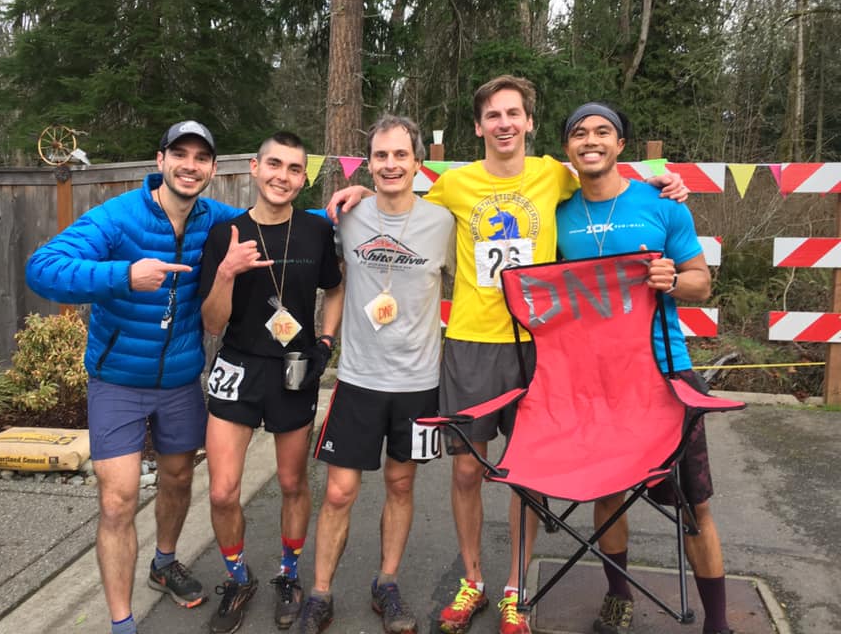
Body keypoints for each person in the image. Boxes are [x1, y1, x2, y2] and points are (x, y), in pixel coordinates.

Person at [327, 76, 689, 634]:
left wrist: (664, 183)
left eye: (513, 113)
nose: (504, 124)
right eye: (493, 115)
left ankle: (517, 590)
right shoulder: (455, 184)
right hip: (472, 342)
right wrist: (355, 193)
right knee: (467, 470)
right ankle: (473, 580)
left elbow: (604, 176)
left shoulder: (553, 175)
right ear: (478, 127)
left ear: (528, 122)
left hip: (539, 345)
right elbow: (399, 204)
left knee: (527, 472)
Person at [26, 121, 241, 634]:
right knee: (118, 499)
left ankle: (164, 563)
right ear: (160, 160)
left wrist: (342, 208)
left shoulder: (215, 219)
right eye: (180, 154)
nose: (190, 165)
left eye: (201, 158)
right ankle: (122, 623)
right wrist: (124, 275)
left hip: (181, 381)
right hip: (117, 381)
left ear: (213, 169)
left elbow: (275, 222)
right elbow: (43, 268)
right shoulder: (116, 217)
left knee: (179, 478)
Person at [555, 103, 732, 634]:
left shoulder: (661, 202)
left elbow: (701, 281)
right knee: (608, 493)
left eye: (602, 132)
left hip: (666, 372)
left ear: (620, 145)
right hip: (594, 377)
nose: (590, 140)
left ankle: (717, 621)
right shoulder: (557, 208)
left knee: (693, 504)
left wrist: (671, 279)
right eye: (579, 133)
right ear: (567, 148)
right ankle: (618, 596)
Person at [296, 116, 456, 634]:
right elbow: (328, 278)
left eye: (400, 155)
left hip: (419, 382)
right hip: (359, 379)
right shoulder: (346, 217)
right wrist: (323, 339)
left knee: (401, 484)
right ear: (368, 163)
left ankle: (386, 582)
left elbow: (476, 284)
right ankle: (319, 592)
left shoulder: (443, 223)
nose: (390, 165)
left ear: (417, 163)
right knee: (339, 492)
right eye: (381, 156)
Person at [199, 131, 344, 633]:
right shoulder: (226, 234)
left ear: (304, 179)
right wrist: (227, 272)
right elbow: (212, 324)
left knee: (291, 482)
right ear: (255, 168)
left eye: (294, 169)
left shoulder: (316, 230)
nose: (283, 176)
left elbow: (335, 287)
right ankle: (238, 578)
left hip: (294, 368)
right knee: (222, 492)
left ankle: (289, 574)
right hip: (239, 366)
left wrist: (326, 341)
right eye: (275, 165)